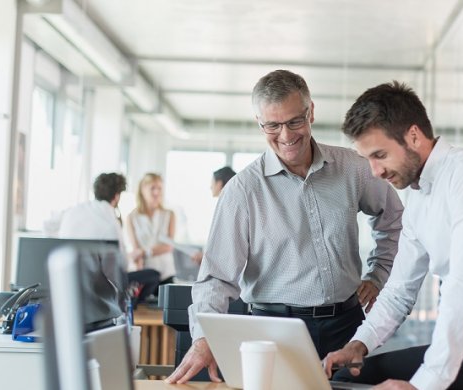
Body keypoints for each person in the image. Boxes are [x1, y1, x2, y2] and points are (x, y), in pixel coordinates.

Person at [165, 70, 404, 384]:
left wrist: (379, 272)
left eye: (294, 121)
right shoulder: (243, 191)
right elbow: (216, 278)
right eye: (272, 125)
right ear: (259, 123)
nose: (286, 135)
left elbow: (395, 221)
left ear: (311, 112)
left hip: (346, 326)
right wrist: (203, 339)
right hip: (272, 331)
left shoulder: (353, 169)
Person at [322, 82, 463, 390]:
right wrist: (359, 345)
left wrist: (424, 385)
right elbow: (399, 290)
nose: (375, 171)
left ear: (413, 136)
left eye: (380, 155)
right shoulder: (419, 197)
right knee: (348, 378)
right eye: (368, 159)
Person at [58, 172, 160, 308]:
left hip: (68, 278)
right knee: (153, 275)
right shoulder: (111, 221)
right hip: (99, 285)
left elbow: (49, 227)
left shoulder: (73, 211)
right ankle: (133, 307)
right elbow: (121, 265)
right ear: (117, 196)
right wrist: (131, 256)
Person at [127, 173, 177, 285]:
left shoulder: (169, 214)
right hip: (145, 274)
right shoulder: (132, 217)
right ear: (142, 190)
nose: (156, 192)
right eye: (152, 188)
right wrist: (138, 258)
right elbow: (136, 250)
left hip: (166, 273)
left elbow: (169, 246)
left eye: (159, 188)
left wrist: (144, 252)